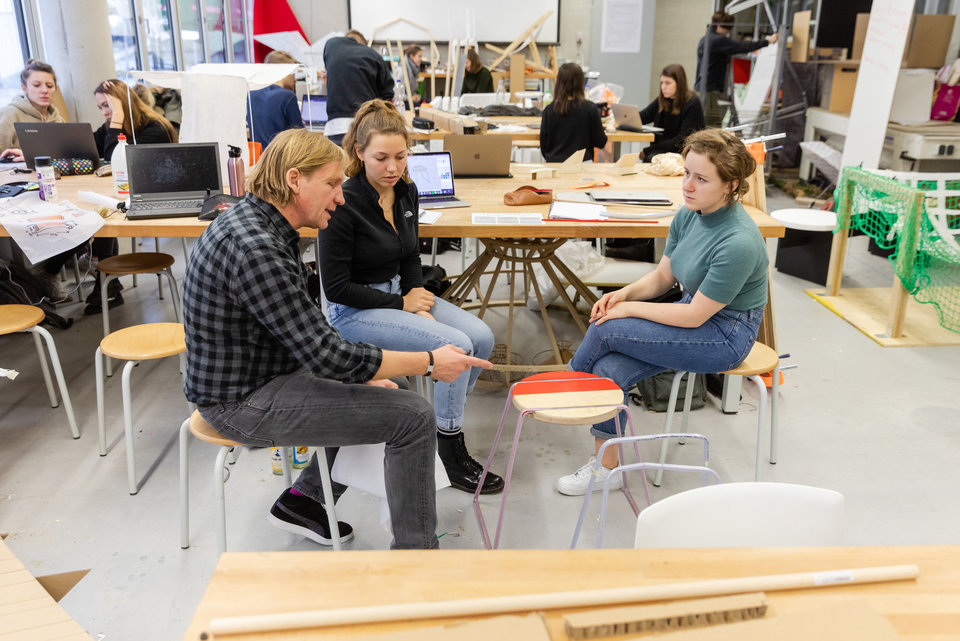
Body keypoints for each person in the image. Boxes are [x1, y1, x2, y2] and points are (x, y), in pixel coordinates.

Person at [182, 128, 492, 549]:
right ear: (294, 180)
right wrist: (430, 362)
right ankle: (417, 556)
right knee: (414, 416)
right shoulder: (257, 247)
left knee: (391, 390)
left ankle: (305, 501)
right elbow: (329, 356)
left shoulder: (260, 225)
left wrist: (372, 373)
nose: (341, 196)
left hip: (260, 375)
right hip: (241, 402)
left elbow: (305, 331)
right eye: (331, 184)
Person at [556, 128, 768, 495]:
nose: (687, 184)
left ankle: (566, 392)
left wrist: (626, 311)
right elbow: (662, 276)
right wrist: (621, 296)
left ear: (731, 185)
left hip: (726, 335)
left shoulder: (739, 241)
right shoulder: (690, 213)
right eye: (687, 173)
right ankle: (608, 469)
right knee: (608, 369)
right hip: (694, 311)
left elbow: (694, 318)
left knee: (606, 330)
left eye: (701, 179)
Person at [320, 99, 502, 494]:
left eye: (401, 157)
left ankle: (441, 420)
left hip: (396, 295)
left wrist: (415, 291)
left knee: (482, 338)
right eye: (381, 158)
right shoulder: (343, 203)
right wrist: (403, 306)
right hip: (354, 309)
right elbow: (336, 288)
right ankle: (450, 448)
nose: (392, 168)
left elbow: (409, 254)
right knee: (456, 344)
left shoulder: (405, 190)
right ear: (359, 153)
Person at [36, 79, 177, 310]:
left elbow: (116, 159)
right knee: (95, 212)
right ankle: (106, 284)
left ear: (124, 103)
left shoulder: (155, 128)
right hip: (122, 194)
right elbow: (85, 147)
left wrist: (117, 119)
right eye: (100, 107)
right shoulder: (112, 125)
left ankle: (96, 279)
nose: (104, 112)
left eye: (107, 106)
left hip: (153, 196)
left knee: (100, 214)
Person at [696, 11, 778, 126]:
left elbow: (715, 59)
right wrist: (768, 41)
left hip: (703, 88)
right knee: (711, 126)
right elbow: (743, 46)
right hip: (709, 89)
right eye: (727, 29)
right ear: (719, 26)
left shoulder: (704, 39)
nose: (728, 33)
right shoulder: (718, 40)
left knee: (708, 122)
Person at [323, 29, 393, 145]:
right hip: (367, 125)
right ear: (362, 44)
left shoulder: (331, 46)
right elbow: (387, 95)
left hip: (336, 127)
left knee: (339, 162)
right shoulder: (373, 55)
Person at [539, 62, 611, 163]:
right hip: (583, 165)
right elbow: (600, 142)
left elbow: (544, 147)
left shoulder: (549, 110)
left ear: (559, 82)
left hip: (555, 165)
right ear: (581, 83)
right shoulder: (590, 109)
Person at [639, 64, 705, 162]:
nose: (663, 87)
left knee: (650, 159)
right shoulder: (662, 100)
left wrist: (648, 150)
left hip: (680, 154)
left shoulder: (692, 103)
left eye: (667, 83)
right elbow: (643, 117)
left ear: (679, 83)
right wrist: (623, 118)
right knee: (650, 159)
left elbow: (681, 141)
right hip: (660, 151)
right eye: (661, 83)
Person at [0, 60, 65, 156]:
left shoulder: (58, 119)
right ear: (24, 88)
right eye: (36, 85)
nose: (44, 90)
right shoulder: (9, 114)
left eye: (50, 86)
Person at [246, 50, 303, 147]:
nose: (295, 79)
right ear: (285, 72)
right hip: (282, 158)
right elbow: (301, 137)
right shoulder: (287, 96)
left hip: (260, 158)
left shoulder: (251, 95)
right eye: (293, 74)